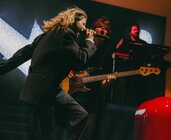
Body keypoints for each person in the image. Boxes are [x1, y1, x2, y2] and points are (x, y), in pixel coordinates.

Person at [0, 7, 98, 140]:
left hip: (41, 89)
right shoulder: (66, 35)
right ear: (73, 20)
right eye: (83, 23)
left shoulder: (46, 35)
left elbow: (21, 55)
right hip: (44, 91)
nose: (84, 28)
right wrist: (90, 41)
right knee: (45, 133)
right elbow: (81, 58)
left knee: (79, 115)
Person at [69, 17, 114, 140]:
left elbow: (104, 81)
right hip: (77, 93)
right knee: (73, 130)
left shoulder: (107, 55)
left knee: (90, 131)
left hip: (94, 97)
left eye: (106, 29)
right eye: (101, 27)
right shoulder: (84, 45)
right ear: (94, 29)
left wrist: (106, 83)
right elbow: (71, 64)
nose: (103, 30)